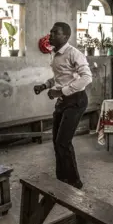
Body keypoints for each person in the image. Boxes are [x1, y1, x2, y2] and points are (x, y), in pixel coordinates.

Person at [33, 22, 92, 190]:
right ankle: (61, 179)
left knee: (63, 142)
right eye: (50, 31)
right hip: (63, 101)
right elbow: (59, 78)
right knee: (57, 142)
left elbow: (87, 77)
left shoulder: (74, 53)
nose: (50, 35)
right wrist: (44, 86)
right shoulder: (56, 54)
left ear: (65, 36)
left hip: (76, 101)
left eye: (54, 32)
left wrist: (61, 92)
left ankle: (75, 182)